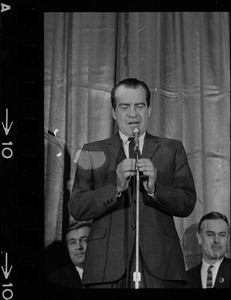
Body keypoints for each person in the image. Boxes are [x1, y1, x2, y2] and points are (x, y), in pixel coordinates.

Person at [68, 78, 196, 288]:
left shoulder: (171, 149)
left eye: (140, 106)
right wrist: (115, 189)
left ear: (149, 109)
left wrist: (155, 190)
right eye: (124, 107)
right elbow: (77, 207)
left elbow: (188, 202)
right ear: (113, 112)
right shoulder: (91, 150)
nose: (133, 114)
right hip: (105, 266)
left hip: (161, 265)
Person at [186, 211, 230, 288]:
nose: (216, 240)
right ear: (199, 238)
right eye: (210, 234)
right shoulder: (187, 278)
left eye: (222, 235)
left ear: (228, 239)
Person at [47, 221, 92, 288]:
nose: (78, 247)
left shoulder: (110, 275)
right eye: (73, 242)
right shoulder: (54, 280)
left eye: (85, 240)